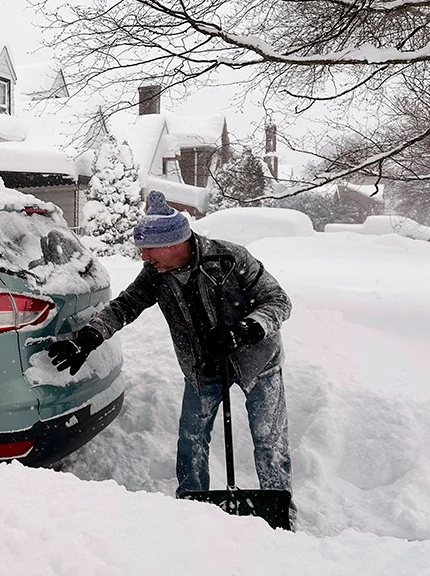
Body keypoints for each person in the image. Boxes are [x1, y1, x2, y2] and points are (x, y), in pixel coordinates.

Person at [49, 191, 293, 510]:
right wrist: (89, 337)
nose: (144, 258)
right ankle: (191, 506)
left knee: (268, 440)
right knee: (191, 442)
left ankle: (277, 506)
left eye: (149, 249)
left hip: (258, 361)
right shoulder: (157, 274)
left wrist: (246, 330)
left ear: (175, 242)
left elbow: (278, 301)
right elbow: (126, 305)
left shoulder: (231, 259)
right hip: (203, 365)